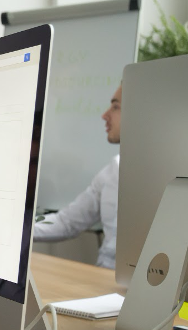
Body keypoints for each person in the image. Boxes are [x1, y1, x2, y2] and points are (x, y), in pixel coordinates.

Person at [33, 85, 122, 269]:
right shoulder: (111, 172)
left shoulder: (171, 177)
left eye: (115, 107)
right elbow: (66, 222)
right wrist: (11, 230)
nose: (104, 115)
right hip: (103, 278)